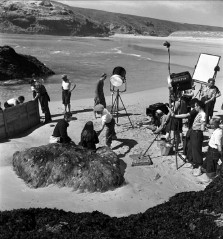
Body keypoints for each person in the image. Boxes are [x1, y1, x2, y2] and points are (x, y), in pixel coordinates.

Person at [172, 98, 199, 163]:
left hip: (193, 128)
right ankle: (187, 155)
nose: (191, 106)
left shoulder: (195, 110)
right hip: (192, 127)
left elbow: (186, 115)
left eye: (192, 105)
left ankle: (187, 156)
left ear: (195, 104)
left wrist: (175, 116)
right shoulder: (196, 110)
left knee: (187, 142)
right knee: (188, 142)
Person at [200, 118, 223, 182]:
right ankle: (204, 170)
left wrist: (221, 154)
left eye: (210, 124)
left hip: (214, 151)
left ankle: (211, 176)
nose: (209, 125)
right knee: (208, 161)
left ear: (214, 125)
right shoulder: (217, 130)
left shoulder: (218, 133)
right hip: (210, 149)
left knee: (211, 164)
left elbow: (218, 146)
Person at [190, 100, 206, 176]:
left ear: (199, 106)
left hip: (197, 133)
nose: (195, 107)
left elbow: (202, 125)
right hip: (194, 132)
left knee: (197, 150)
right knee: (193, 148)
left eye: (196, 106)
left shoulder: (202, 114)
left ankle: (199, 167)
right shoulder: (199, 113)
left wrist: (202, 127)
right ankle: (195, 163)